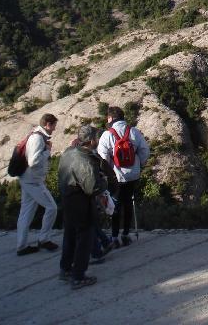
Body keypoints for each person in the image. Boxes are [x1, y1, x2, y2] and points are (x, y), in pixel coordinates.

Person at [58, 124, 107, 289]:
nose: (98, 141)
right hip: (81, 202)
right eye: (97, 138)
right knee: (84, 237)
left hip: (67, 198)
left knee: (70, 235)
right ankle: (78, 276)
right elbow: (92, 187)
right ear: (92, 140)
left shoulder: (68, 152)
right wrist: (104, 183)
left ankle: (65, 269)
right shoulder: (85, 159)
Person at [97, 106, 150, 247]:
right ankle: (126, 234)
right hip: (133, 175)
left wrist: (108, 173)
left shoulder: (107, 135)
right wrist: (139, 165)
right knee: (128, 203)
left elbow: (102, 158)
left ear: (111, 118)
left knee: (114, 205)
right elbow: (145, 150)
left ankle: (114, 237)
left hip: (116, 177)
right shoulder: (134, 132)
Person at [16, 113, 59, 256]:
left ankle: (21, 246)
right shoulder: (38, 139)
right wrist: (47, 151)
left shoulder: (35, 135)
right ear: (47, 124)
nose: (54, 129)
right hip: (33, 181)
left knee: (26, 213)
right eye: (53, 126)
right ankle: (44, 239)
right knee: (52, 207)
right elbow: (33, 162)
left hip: (27, 179)